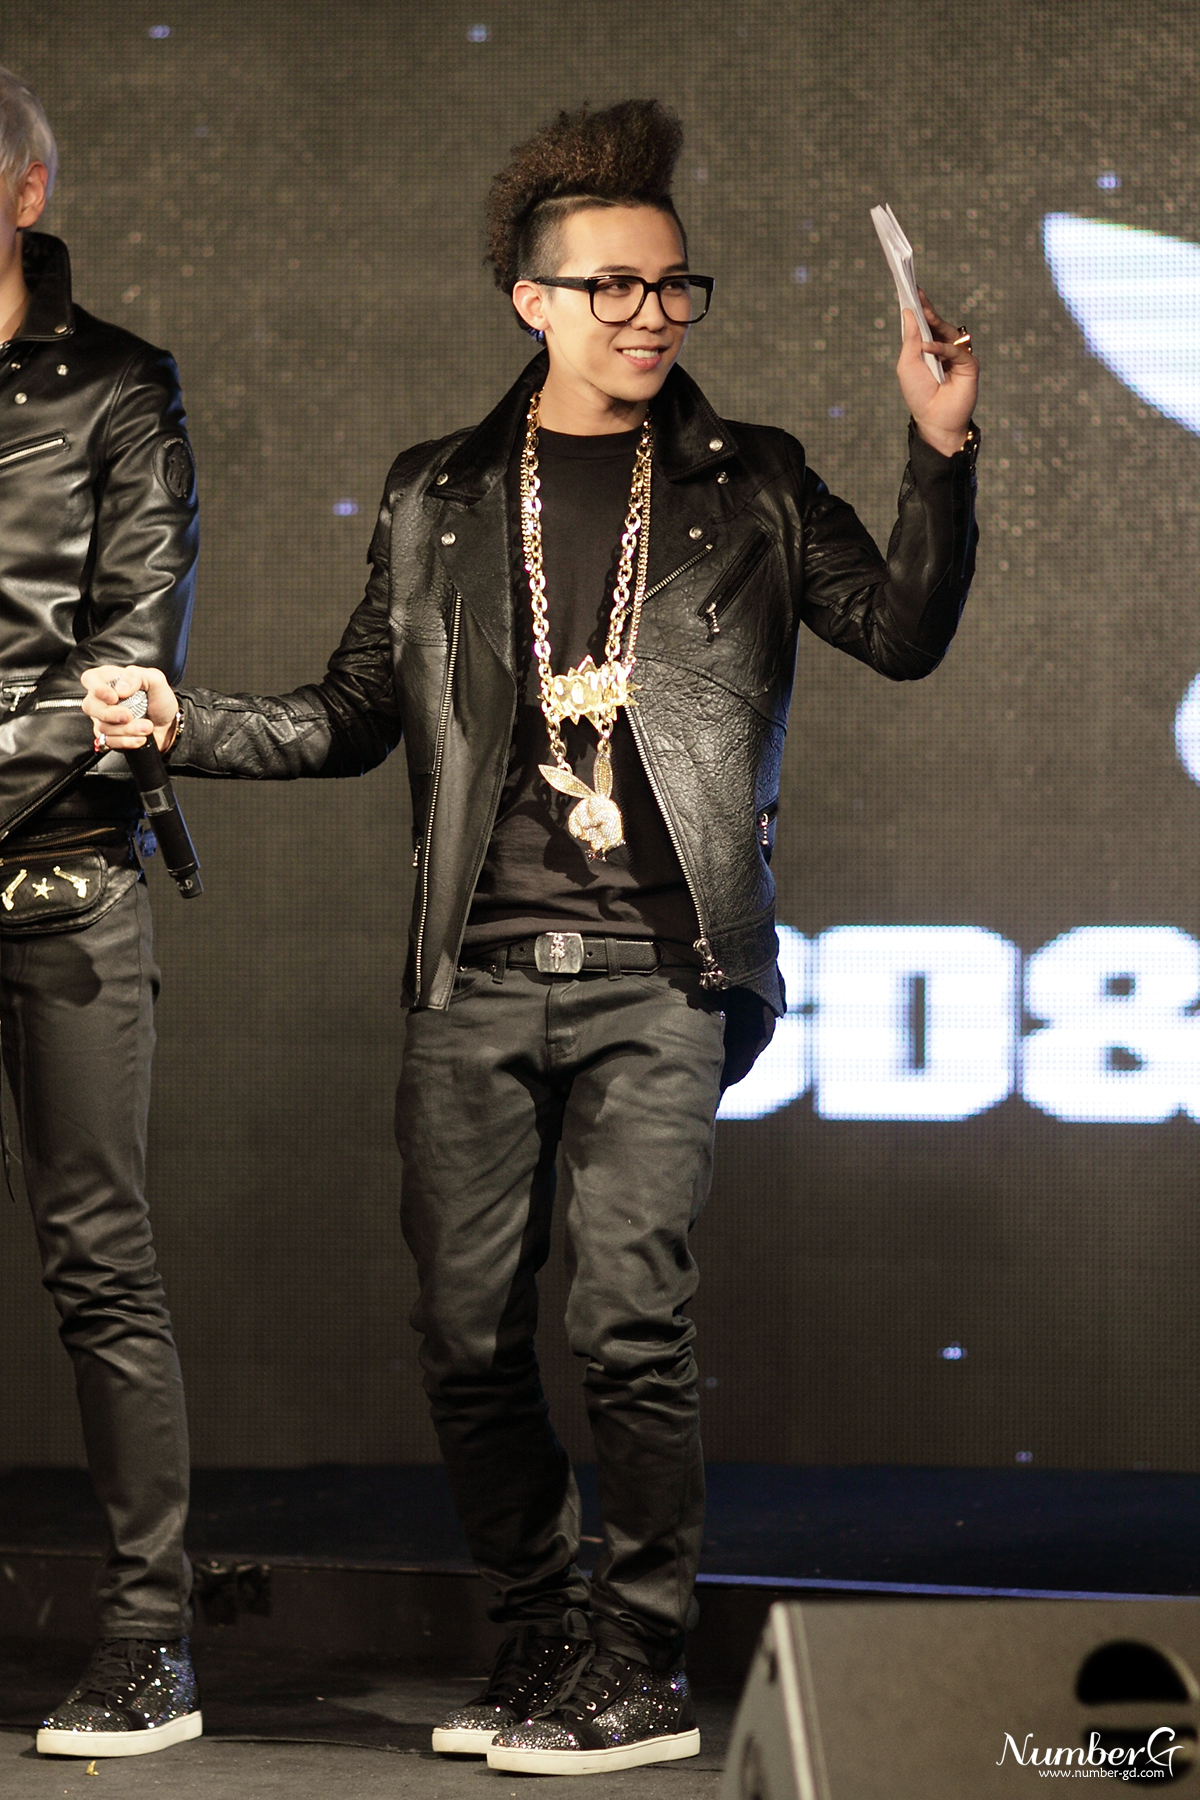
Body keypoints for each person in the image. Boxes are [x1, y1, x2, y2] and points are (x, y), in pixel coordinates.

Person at [83, 98, 978, 1776]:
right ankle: (544, 1634)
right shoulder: (439, 494)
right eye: (616, 287)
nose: (654, 315)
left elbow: (905, 631)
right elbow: (352, 714)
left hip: (665, 971)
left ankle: (640, 1660)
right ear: (533, 300)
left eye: (675, 285)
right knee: (469, 1332)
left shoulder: (754, 481)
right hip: (477, 975)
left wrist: (940, 451)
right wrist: (182, 722)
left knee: (629, 1314)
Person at [0, 66, 201, 1760]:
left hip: (62, 878)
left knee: (98, 1260)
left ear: (26, 192)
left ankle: (148, 1640)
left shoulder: (120, 389)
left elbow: (125, 665)